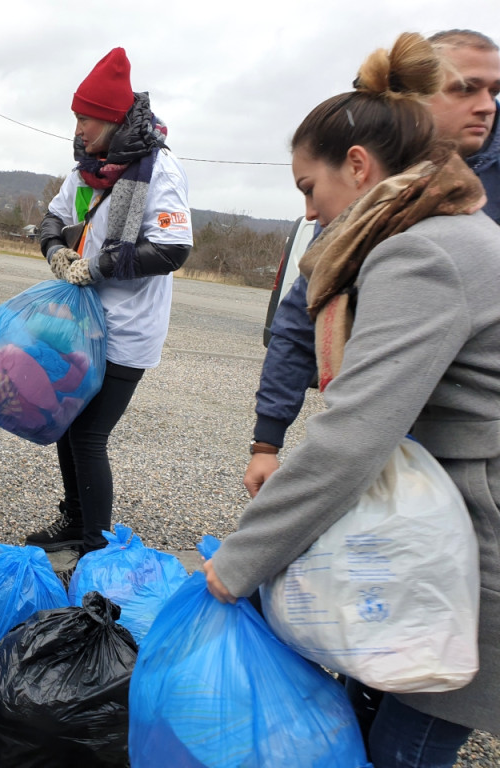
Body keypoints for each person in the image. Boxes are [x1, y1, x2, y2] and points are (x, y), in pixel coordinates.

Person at [204, 32, 500, 768]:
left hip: (480, 530)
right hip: (444, 510)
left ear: (359, 166)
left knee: (410, 742)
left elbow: (354, 434)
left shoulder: (421, 250)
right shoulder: (437, 226)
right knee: (375, 713)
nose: (308, 210)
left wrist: (240, 561)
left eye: (310, 187)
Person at [244, 28, 500, 498]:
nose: (487, 106)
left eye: (494, 91)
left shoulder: (438, 239)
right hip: (402, 456)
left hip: (467, 469)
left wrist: (245, 560)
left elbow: (356, 433)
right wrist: (267, 438)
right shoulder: (367, 209)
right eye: (465, 87)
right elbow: (303, 317)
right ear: (415, 97)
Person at [24, 47, 192, 558]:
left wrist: (96, 266)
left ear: (115, 118)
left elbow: (172, 248)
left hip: (127, 330)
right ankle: (75, 521)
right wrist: (55, 250)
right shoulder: (86, 167)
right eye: (75, 118)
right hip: (80, 321)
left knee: (89, 433)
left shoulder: (158, 169)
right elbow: (54, 218)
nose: (78, 129)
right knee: (65, 422)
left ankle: (95, 546)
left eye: (87, 119)